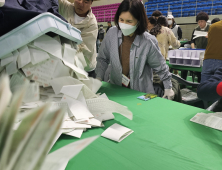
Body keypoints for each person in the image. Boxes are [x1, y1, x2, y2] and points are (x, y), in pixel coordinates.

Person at [96, 0, 174, 100]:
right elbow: (102, 59)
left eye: (129, 21)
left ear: (139, 21)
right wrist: (98, 78)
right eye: (121, 20)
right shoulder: (112, 33)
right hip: (116, 90)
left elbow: (160, 67)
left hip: (140, 94)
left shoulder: (148, 41)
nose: (124, 24)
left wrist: (168, 87)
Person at [58, 0, 98, 77]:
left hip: (85, 68)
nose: (80, 3)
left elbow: (84, 49)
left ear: (91, 3)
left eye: (85, 1)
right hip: (65, 64)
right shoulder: (66, 7)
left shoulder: (91, 23)